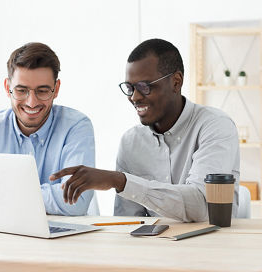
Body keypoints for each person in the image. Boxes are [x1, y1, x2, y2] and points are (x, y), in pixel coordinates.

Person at [50, 38, 240, 222]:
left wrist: (121, 181)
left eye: (144, 87)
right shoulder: (131, 142)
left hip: (210, 249)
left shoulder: (215, 126)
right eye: (130, 88)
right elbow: (128, 223)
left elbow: (201, 206)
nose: (134, 97)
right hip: (154, 250)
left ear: (176, 82)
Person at [0, 42, 95, 216]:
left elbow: (76, 202)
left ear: (56, 89)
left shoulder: (76, 126)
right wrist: (43, 196)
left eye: (42, 91)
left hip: (66, 238)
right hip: (5, 236)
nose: (31, 102)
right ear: (8, 88)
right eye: (21, 90)